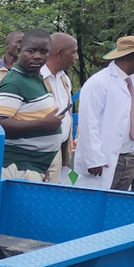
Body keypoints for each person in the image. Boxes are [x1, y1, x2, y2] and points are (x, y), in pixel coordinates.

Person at [75, 35, 134, 190]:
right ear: (131, 56)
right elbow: (88, 123)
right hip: (103, 160)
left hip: (128, 156)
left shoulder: (131, 81)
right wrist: (94, 159)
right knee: (97, 205)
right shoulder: (98, 83)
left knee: (119, 206)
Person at [0, 29, 67, 181]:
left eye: (43, 52)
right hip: (18, 168)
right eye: (31, 51)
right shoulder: (14, 82)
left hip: (34, 166)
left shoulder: (34, 78)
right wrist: (43, 124)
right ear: (19, 51)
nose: (37, 56)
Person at [41, 32, 79, 182]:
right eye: (74, 52)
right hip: (41, 152)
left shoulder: (64, 79)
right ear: (60, 53)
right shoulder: (37, 77)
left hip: (59, 149)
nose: (76, 57)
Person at [0, 31, 23, 96]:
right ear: (7, 45)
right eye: (18, 42)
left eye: (24, 43)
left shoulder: (29, 71)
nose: (21, 46)